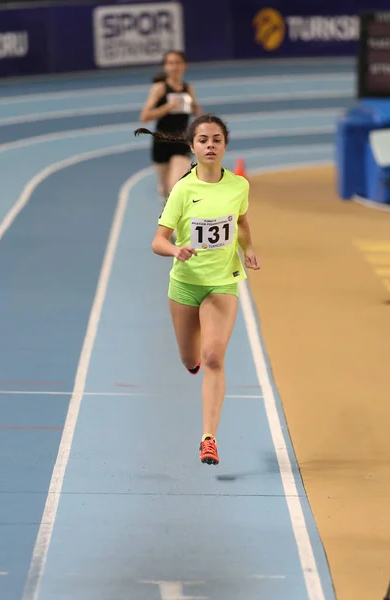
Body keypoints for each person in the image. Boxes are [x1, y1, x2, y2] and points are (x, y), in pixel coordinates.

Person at [135, 115, 260, 466]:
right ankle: (191, 363)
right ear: (192, 146)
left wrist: (248, 248)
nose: (210, 145)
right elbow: (158, 240)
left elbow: (242, 222)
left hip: (222, 283)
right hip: (185, 285)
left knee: (214, 357)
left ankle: (208, 438)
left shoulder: (238, 186)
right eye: (203, 139)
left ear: (224, 145)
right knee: (191, 359)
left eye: (216, 139)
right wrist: (176, 250)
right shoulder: (183, 190)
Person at [139, 50, 202, 201]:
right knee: (165, 189)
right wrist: (167, 107)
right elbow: (144, 117)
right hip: (161, 142)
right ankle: (166, 203)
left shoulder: (189, 88)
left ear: (184, 66)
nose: (175, 67)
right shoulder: (160, 88)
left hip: (181, 141)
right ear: (165, 67)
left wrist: (195, 108)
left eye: (178, 63)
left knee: (175, 186)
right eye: (171, 63)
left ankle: (176, 219)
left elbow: (197, 112)